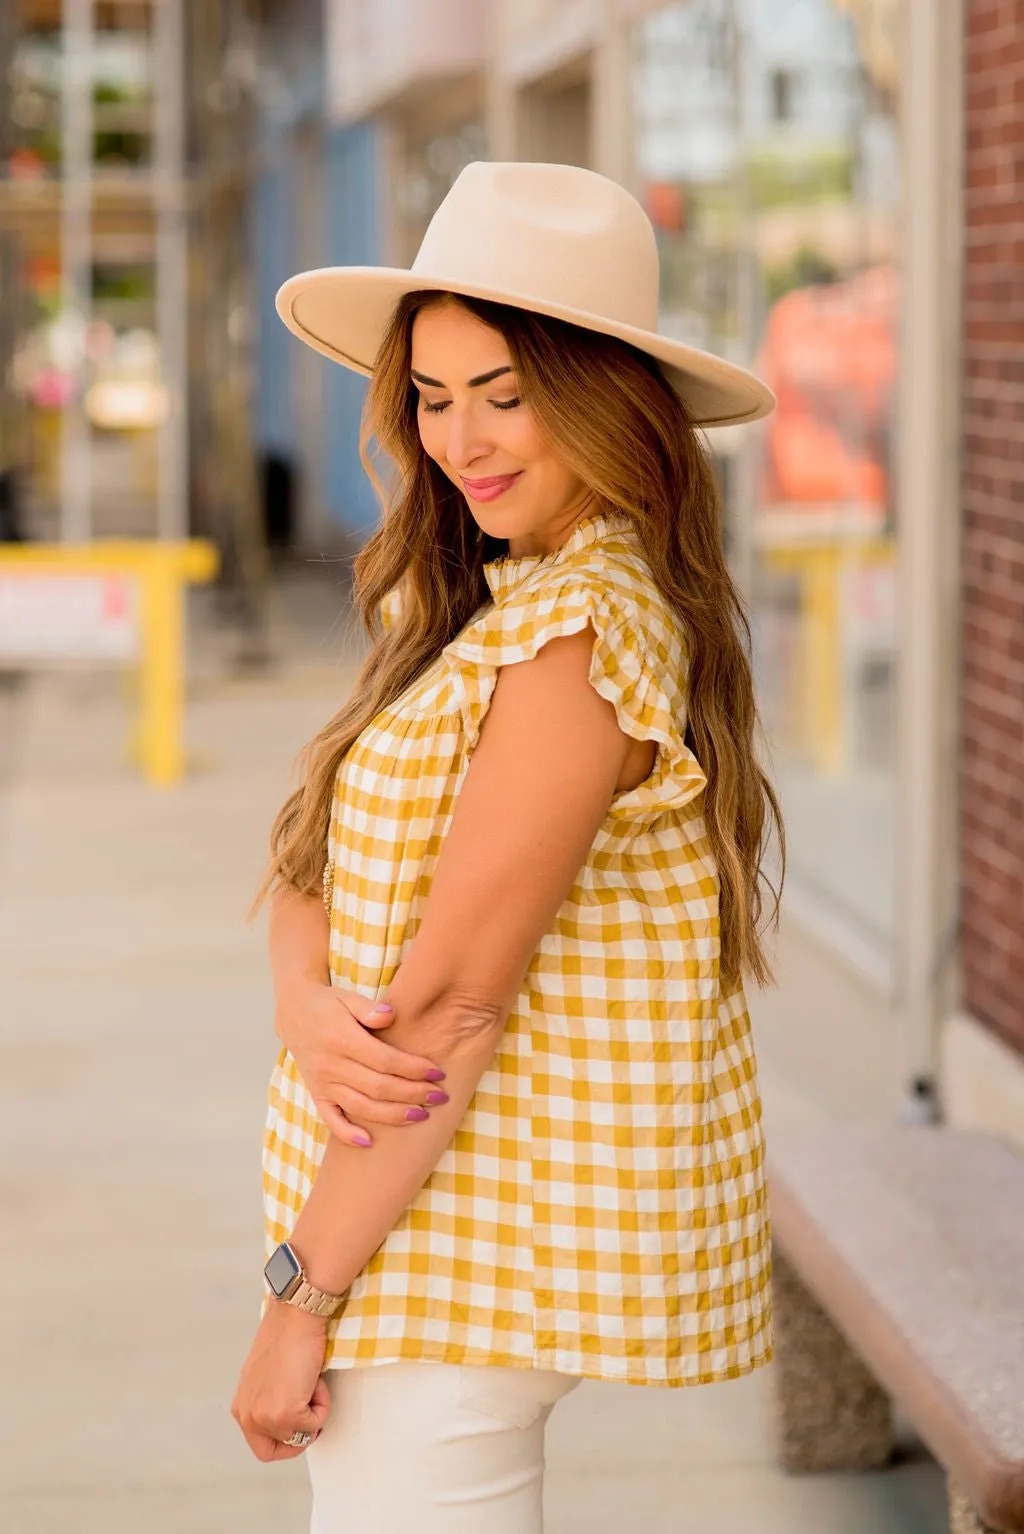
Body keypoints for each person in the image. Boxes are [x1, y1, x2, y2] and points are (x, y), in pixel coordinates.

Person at [231, 161, 784, 1534]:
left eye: (506, 394)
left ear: (602, 395)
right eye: (432, 396)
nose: (461, 439)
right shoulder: (495, 600)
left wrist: (296, 1297)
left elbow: (457, 999)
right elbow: (316, 858)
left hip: (454, 1258)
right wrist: (304, 1000)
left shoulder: (583, 632)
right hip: (414, 1236)